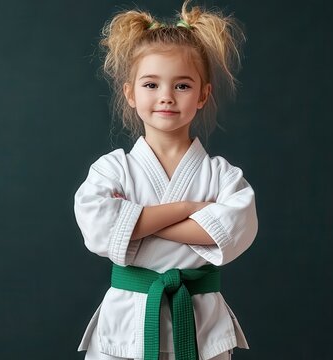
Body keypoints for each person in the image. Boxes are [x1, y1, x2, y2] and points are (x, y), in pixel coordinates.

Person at [73, 1, 258, 359]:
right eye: (151, 84)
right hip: (128, 320)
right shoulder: (112, 169)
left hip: (200, 323)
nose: (166, 97)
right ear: (130, 93)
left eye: (183, 86)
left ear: (203, 94)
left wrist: (135, 221)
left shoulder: (222, 175)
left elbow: (234, 229)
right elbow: (99, 229)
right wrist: (188, 209)